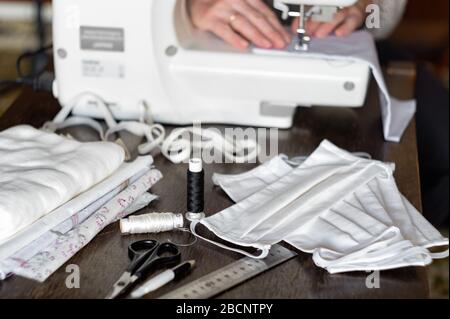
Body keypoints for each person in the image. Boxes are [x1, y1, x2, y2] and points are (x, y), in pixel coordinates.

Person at [187, 0, 449, 228]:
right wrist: (184, 6)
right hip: (214, 40)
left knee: (440, 142)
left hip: (343, 42)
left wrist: (368, 6)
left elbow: (386, 16)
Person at [187, 0, 408, 49]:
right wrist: (184, 7)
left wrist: (368, 5)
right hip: (207, 37)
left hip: (353, 41)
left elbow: (386, 23)